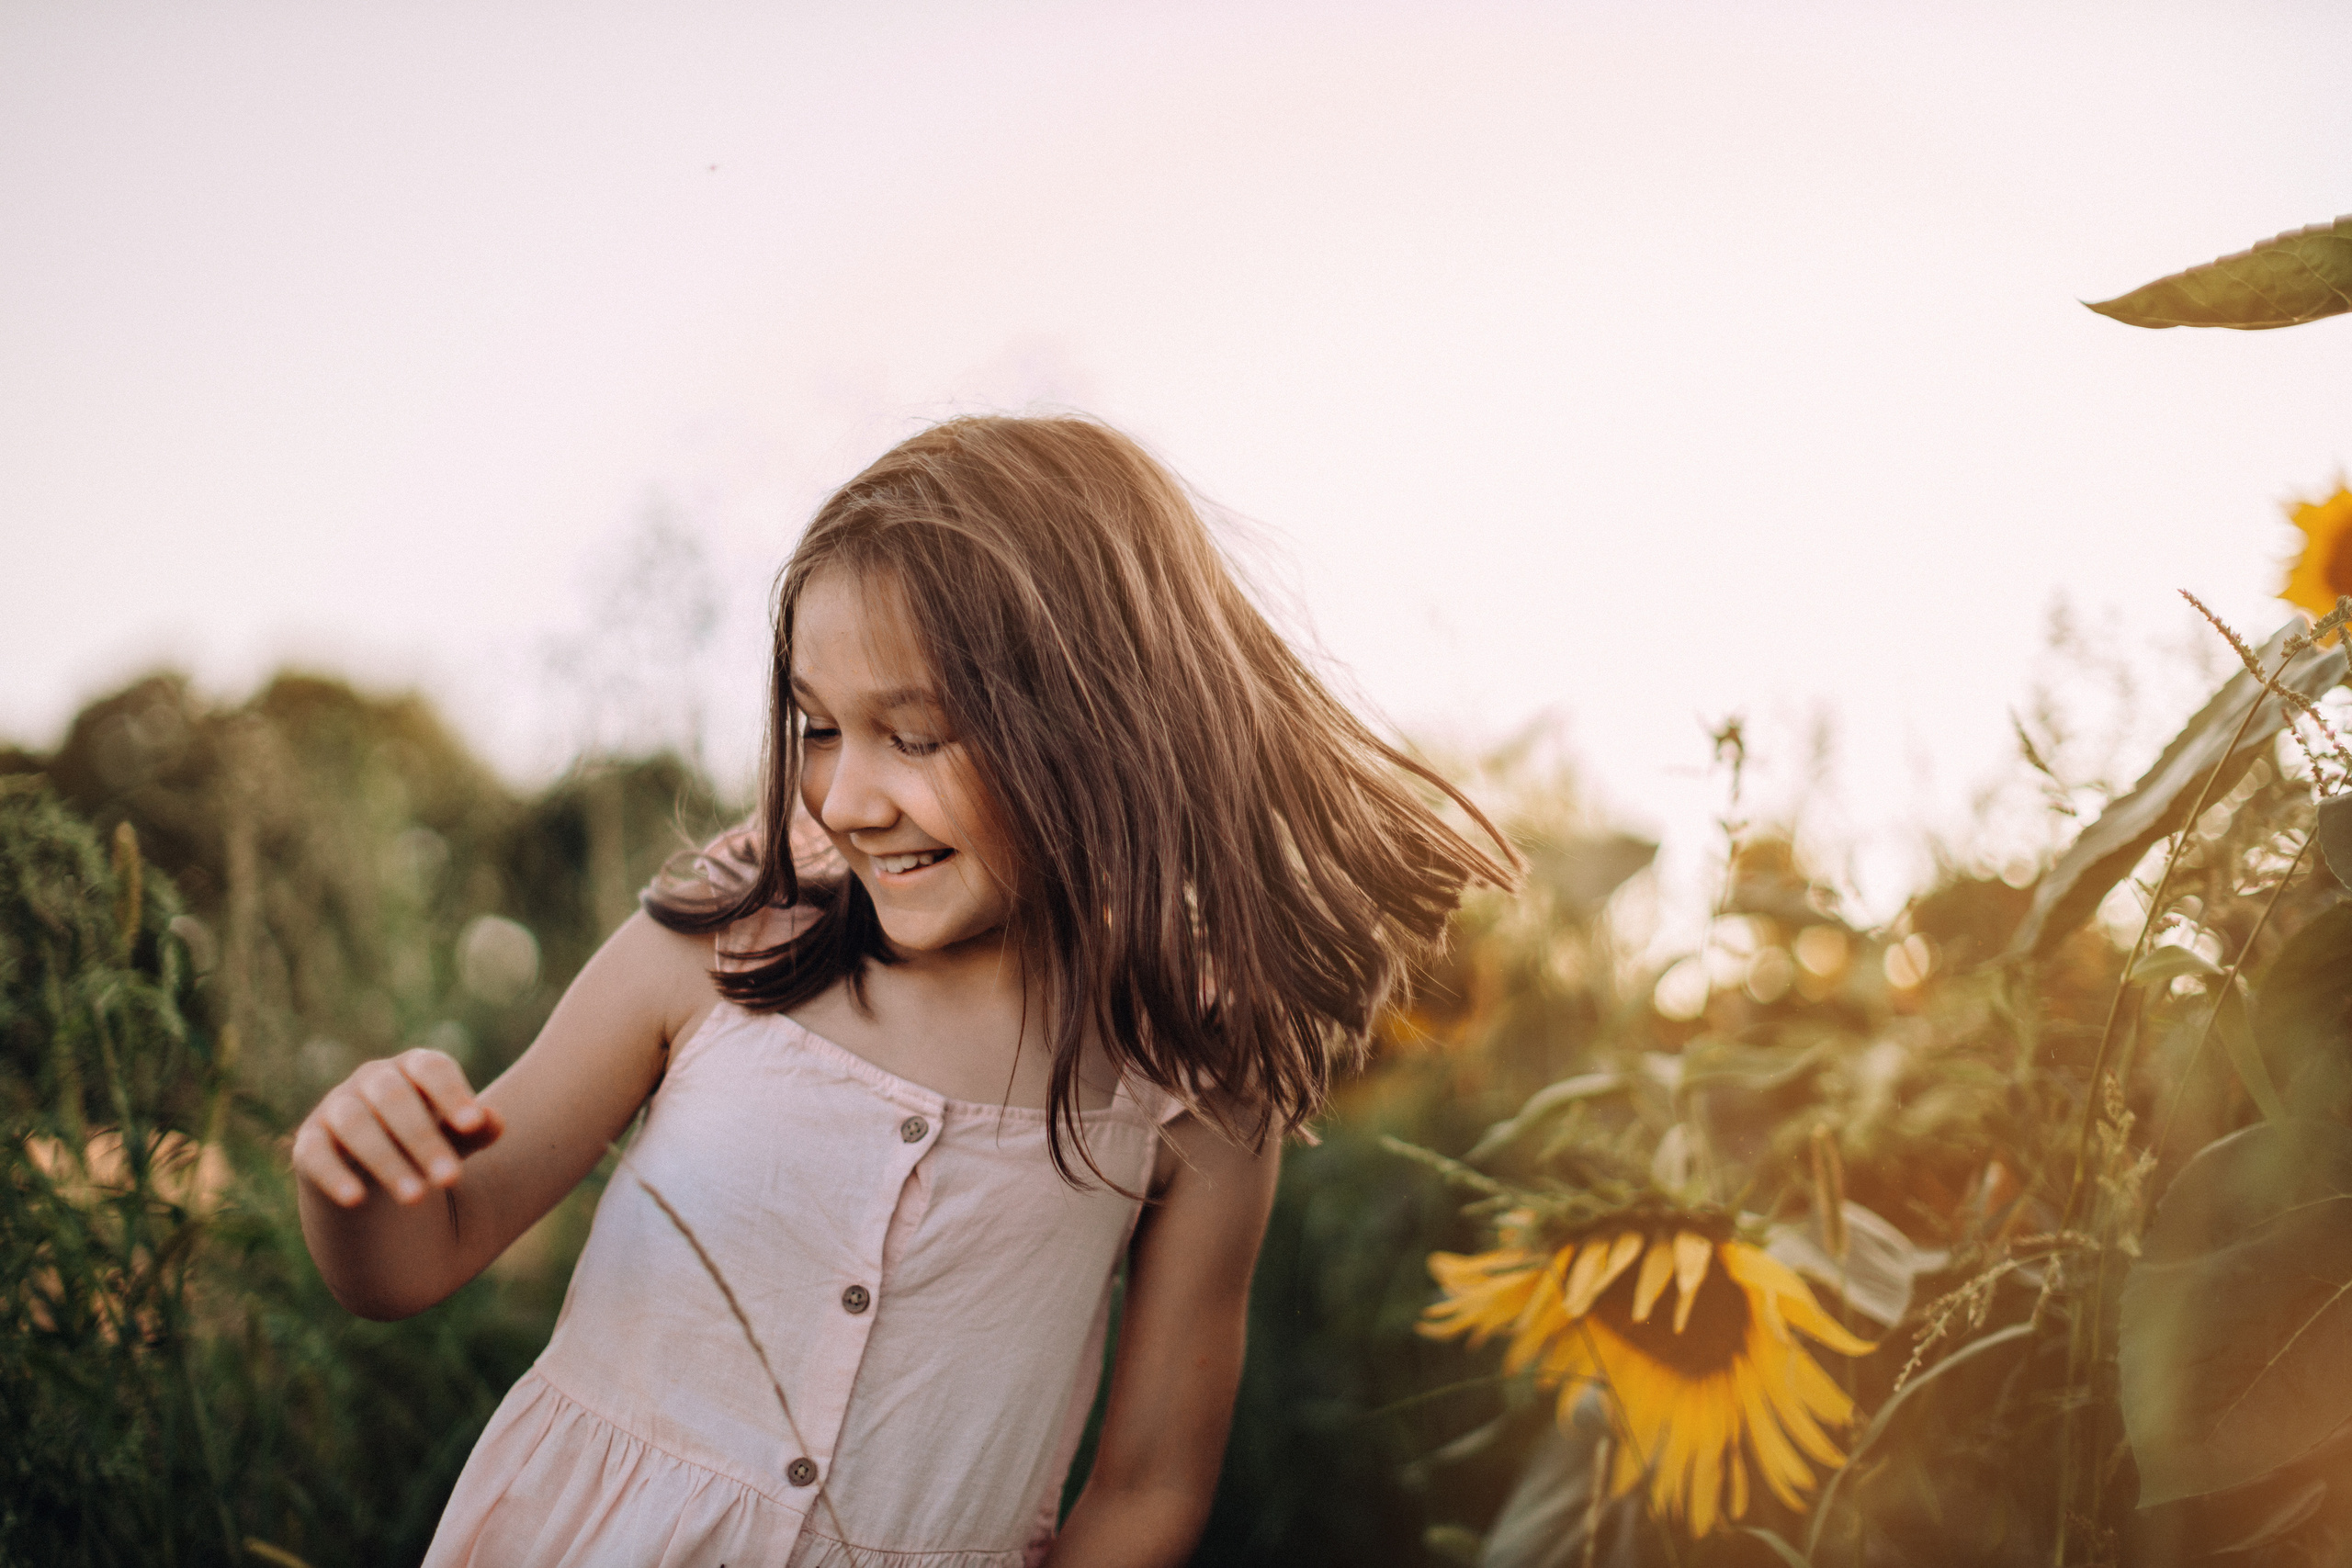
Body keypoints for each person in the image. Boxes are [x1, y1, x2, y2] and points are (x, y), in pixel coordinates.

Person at [294, 415, 1516, 1567]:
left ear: (1102, 727)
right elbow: (413, 1260)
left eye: (914, 736)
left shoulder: (1192, 1074)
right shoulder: (731, 930)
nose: (846, 798)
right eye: (819, 728)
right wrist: (353, 1174)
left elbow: (1151, 1485)